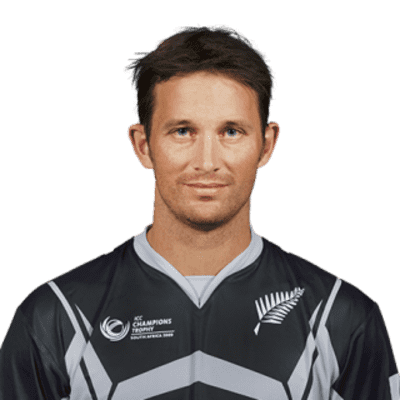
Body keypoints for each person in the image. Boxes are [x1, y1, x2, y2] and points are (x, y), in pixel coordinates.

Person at [0, 24, 398, 400]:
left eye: (231, 131)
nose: (207, 162)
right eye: (182, 131)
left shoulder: (339, 316)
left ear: (266, 145)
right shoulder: (56, 317)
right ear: (143, 145)